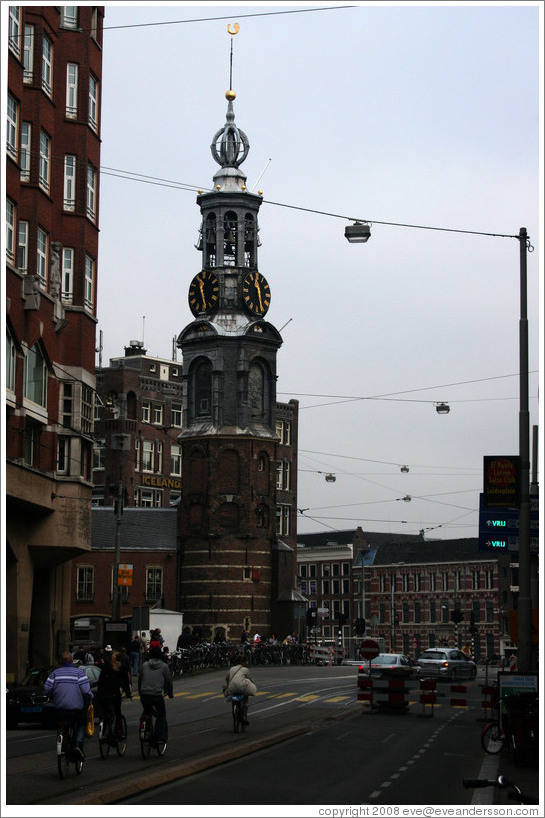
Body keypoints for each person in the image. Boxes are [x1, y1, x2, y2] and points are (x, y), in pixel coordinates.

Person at [44, 651, 93, 759]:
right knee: (80, 723)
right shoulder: (79, 673)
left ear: (61, 661)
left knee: (61, 724)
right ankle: (78, 746)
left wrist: (53, 696)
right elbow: (86, 691)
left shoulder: (55, 673)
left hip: (59, 708)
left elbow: (47, 689)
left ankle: (61, 740)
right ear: (72, 661)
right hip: (75, 709)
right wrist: (90, 697)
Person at [138, 645, 173, 746]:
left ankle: (142, 728)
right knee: (161, 714)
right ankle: (160, 736)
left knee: (146, 710)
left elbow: (140, 679)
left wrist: (141, 692)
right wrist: (170, 693)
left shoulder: (144, 665)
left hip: (145, 695)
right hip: (157, 695)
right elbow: (169, 681)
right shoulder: (164, 666)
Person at [97, 649, 132, 739]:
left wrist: (99, 692)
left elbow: (100, 680)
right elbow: (125, 682)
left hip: (104, 693)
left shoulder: (106, 666)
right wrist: (128, 693)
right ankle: (119, 733)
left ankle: (104, 729)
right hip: (114, 693)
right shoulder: (121, 668)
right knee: (117, 712)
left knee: (105, 712)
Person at [224, 652, 257, 726]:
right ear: (244, 662)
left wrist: (227, 685)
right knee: (245, 700)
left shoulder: (232, 669)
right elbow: (250, 679)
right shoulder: (245, 669)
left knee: (233, 695)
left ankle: (234, 710)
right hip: (241, 687)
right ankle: (244, 717)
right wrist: (253, 684)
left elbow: (227, 678)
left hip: (232, 687)